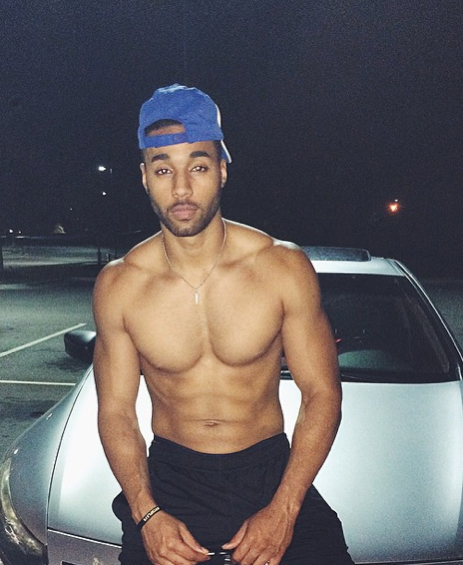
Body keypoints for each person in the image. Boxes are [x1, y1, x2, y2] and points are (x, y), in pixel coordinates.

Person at [93, 84, 354, 565]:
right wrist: (146, 514)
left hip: (269, 473)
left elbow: (322, 393)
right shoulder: (120, 285)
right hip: (169, 481)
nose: (181, 189)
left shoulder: (282, 268)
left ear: (222, 170)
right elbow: (116, 412)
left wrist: (284, 509)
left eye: (198, 166)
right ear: (145, 177)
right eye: (163, 169)